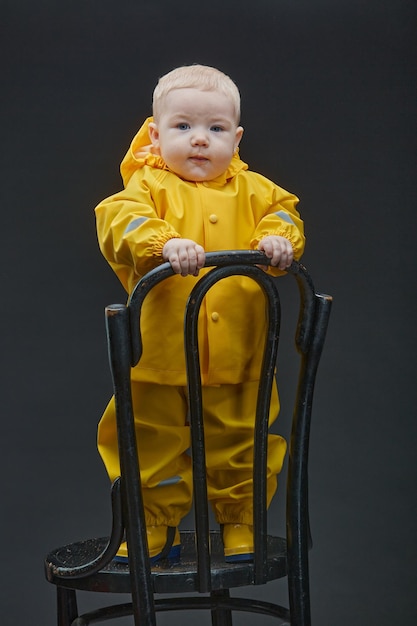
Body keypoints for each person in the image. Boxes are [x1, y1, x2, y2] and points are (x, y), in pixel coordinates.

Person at [95, 64, 305, 564]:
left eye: (215, 129)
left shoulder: (256, 191)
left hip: (241, 355)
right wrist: (163, 242)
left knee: (242, 440)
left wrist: (278, 240)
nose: (199, 140)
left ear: (236, 138)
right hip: (160, 355)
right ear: (155, 133)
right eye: (183, 126)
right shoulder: (146, 189)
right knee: (149, 443)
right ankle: (149, 524)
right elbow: (118, 221)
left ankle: (242, 521)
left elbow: (285, 213)